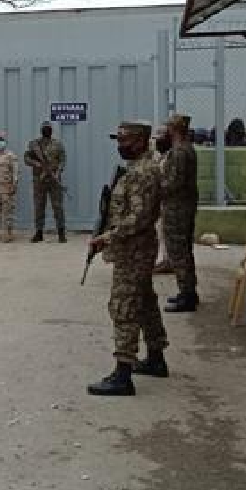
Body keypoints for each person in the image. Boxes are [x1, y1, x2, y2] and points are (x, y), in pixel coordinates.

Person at [86, 121, 169, 396]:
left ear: (142, 141)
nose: (120, 145)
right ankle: (156, 357)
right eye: (118, 140)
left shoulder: (144, 172)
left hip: (135, 249)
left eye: (126, 140)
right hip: (133, 248)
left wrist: (107, 237)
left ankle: (123, 374)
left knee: (123, 306)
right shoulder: (134, 169)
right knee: (144, 302)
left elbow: (139, 218)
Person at [162, 114, 201, 314]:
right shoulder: (187, 149)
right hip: (184, 205)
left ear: (173, 129)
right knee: (184, 250)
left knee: (178, 251)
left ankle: (187, 295)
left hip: (177, 208)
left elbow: (173, 183)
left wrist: (155, 187)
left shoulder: (179, 152)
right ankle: (189, 291)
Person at [24, 120, 67, 243]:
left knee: (58, 206)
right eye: (45, 128)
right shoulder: (34, 144)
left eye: (48, 128)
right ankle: (39, 233)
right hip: (39, 180)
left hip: (54, 179)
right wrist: (37, 164)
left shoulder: (58, 144)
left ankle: (61, 232)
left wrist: (58, 172)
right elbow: (26, 158)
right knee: (39, 207)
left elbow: (63, 160)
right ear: (41, 130)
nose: (47, 130)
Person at [152, 126, 173, 274]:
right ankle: (166, 260)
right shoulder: (162, 156)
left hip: (169, 201)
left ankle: (169, 261)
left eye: (160, 140)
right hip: (161, 200)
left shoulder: (172, 157)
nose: (157, 143)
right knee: (161, 231)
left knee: (166, 231)